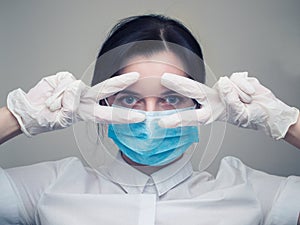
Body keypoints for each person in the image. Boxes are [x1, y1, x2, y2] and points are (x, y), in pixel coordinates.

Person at [0, 14, 300, 225]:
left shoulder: (250, 193)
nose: (151, 117)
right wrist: (18, 117)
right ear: (102, 103)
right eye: (130, 99)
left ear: (200, 102)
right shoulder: (48, 189)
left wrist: (284, 121)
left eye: (171, 98)